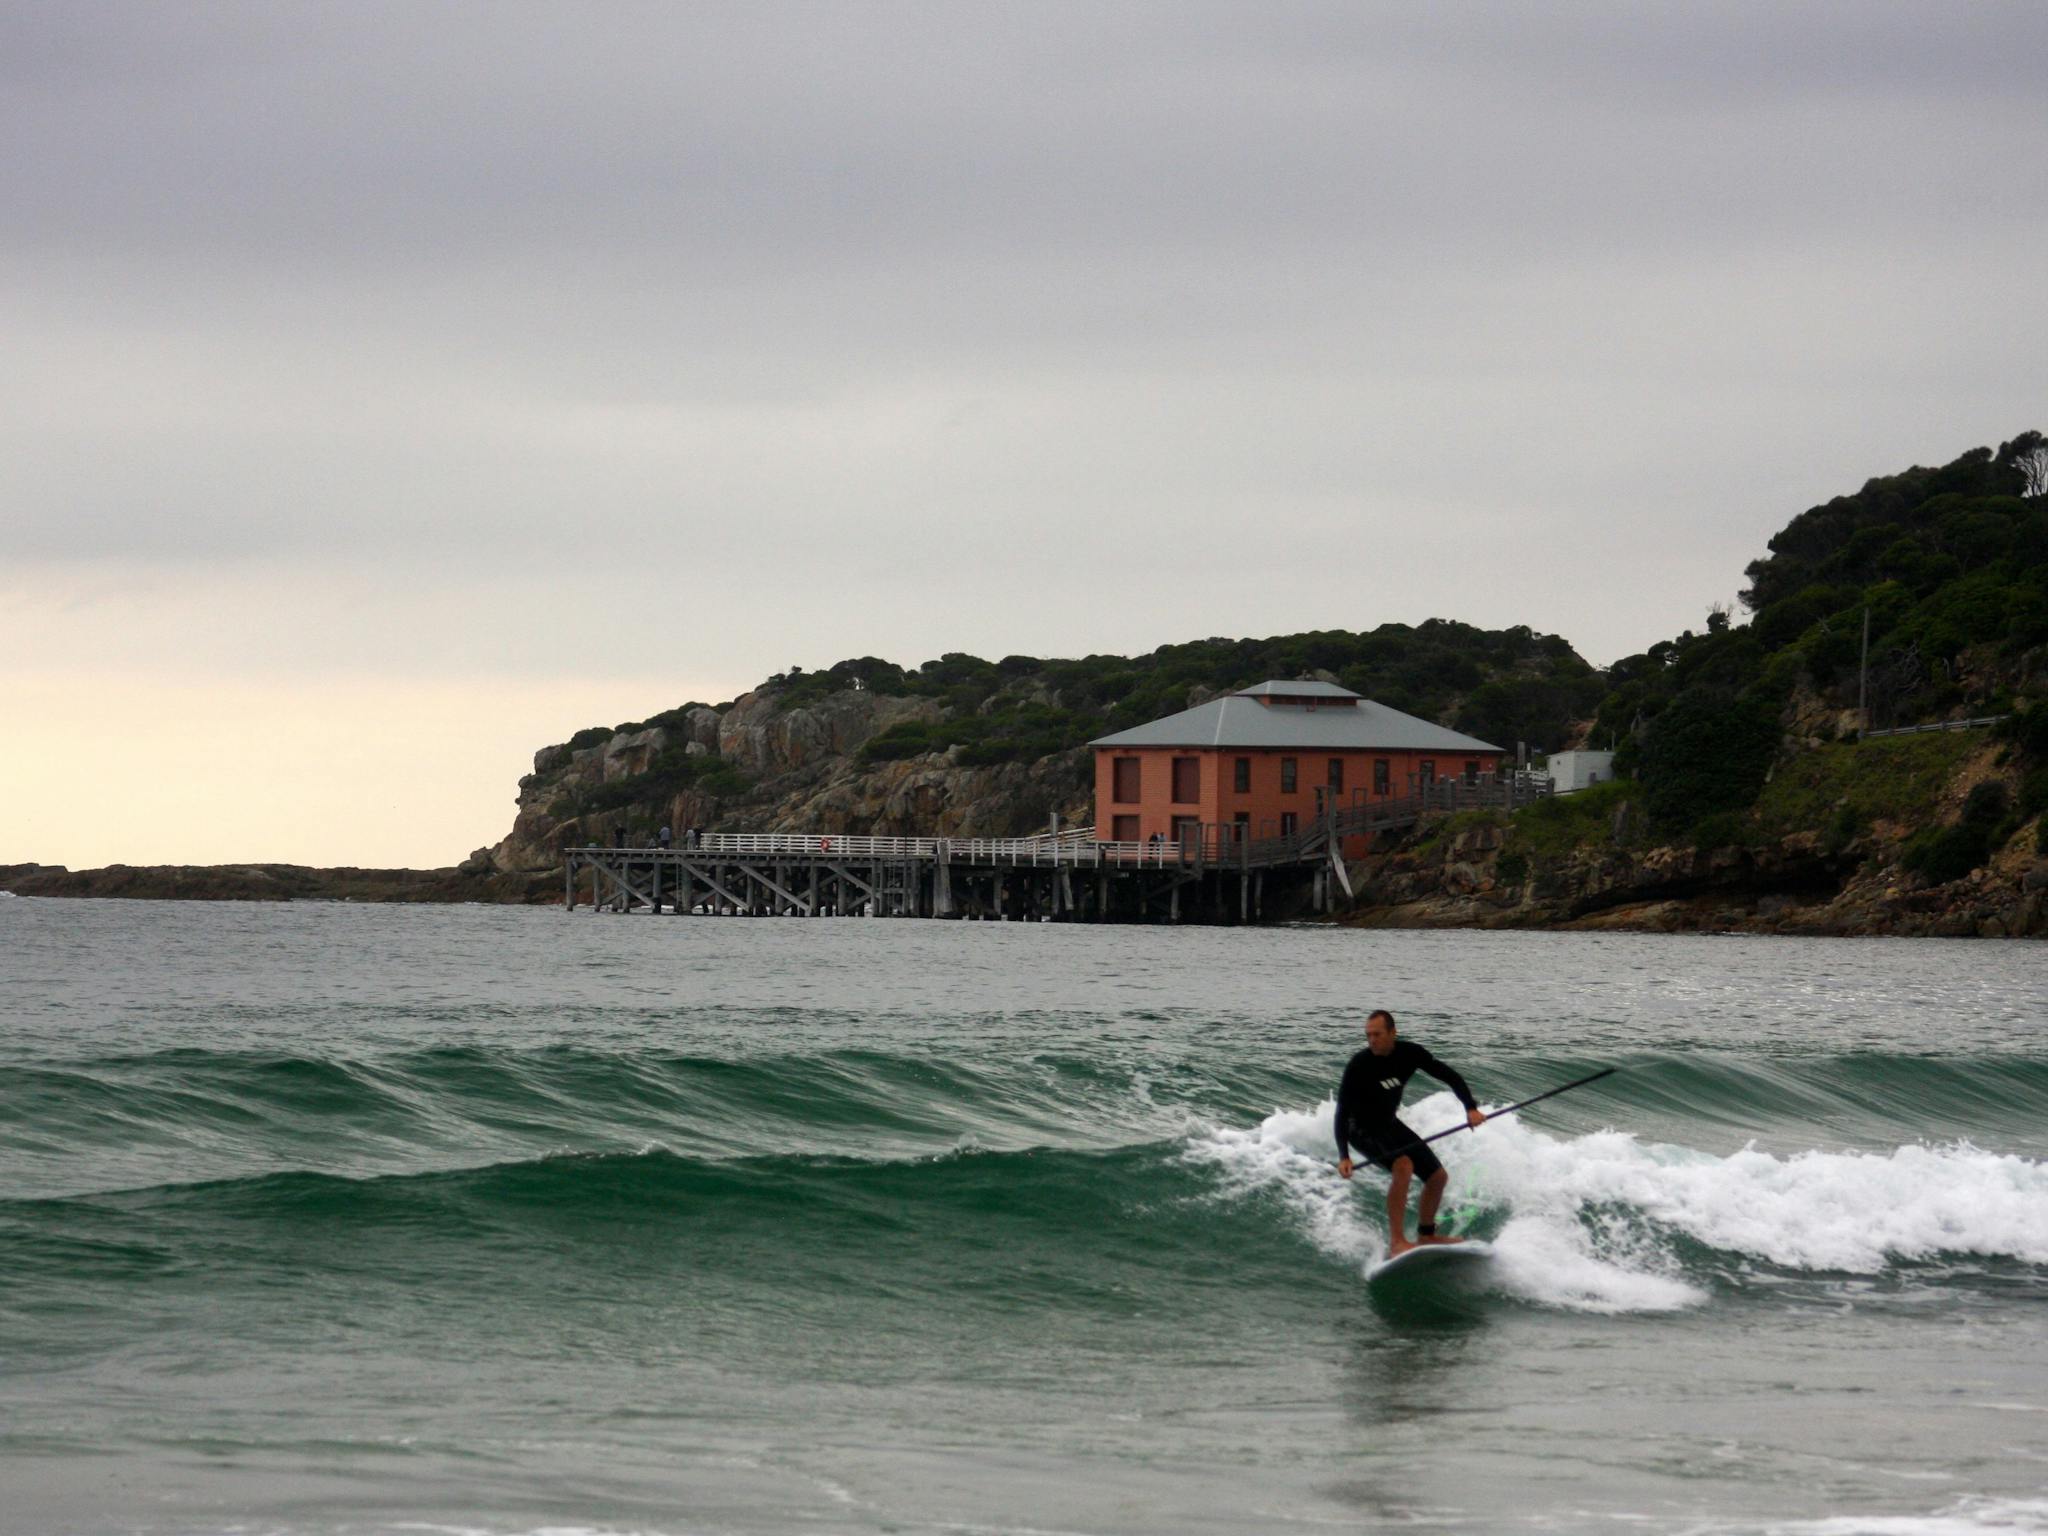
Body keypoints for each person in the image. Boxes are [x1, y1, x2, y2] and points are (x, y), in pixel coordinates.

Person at [1336, 1009, 1485, 1256]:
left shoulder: (1410, 1054)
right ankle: (1397, 1242)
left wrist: (1470, 1108)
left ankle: (1426, 1235)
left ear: (1393, 1032)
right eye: (1368, 1035)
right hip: (1360, 1128)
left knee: (1437, 1177)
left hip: (1388, 1123)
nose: (1372, 1040)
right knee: (1403, 1165)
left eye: (1377, 1034)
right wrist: (1344, 1156)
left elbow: (1449, 1076)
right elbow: (1341, 1112)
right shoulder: (1359, 1064)